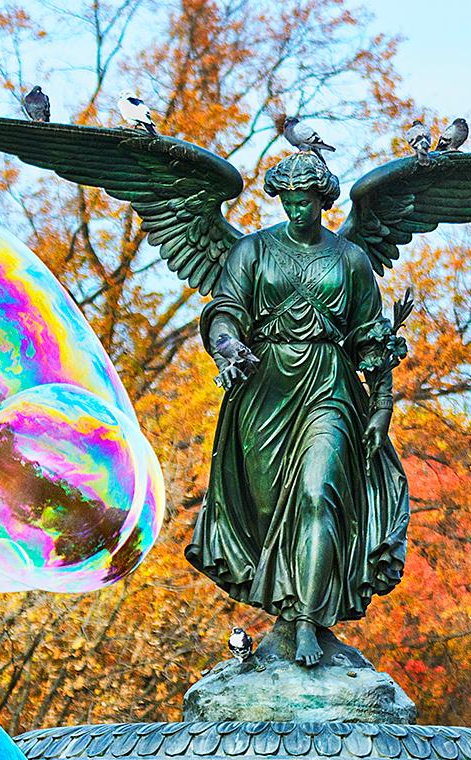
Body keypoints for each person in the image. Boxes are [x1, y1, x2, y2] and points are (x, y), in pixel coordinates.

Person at [189, 152, 409, 667]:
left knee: (318, 494)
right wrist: (227, 346)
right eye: (286, 200)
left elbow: (369, 337)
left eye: (304, 200)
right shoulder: (252, 251)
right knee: (268, 515)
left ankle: (309, 620)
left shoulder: (349, 258)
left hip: (328, 386)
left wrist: (381, 403)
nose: (295, 209)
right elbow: (225, 312)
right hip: (263, 390)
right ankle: (286, 616)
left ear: (322, 199)